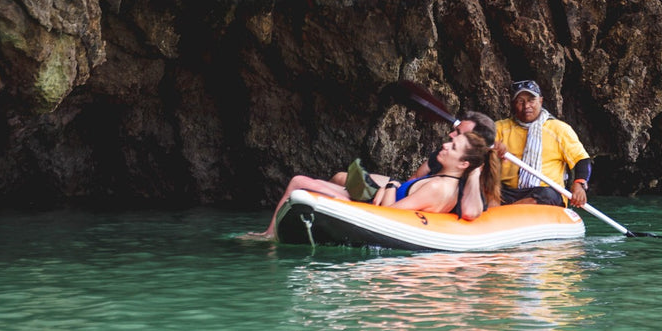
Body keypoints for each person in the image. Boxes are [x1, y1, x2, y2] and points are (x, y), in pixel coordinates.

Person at [250, 126, 499, 239]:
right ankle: (271, 233)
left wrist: (390, 186)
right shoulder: (445, 182)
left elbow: (387, 215)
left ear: (464, 164)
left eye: (453, 147)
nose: (445, 144)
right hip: (374, 201)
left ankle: (268, 236)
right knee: (325, 179)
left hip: (370, 209)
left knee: (298, 182)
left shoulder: (438, 187)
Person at [333, 111, 499, 220]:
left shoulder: (472, 171)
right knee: (339, 177)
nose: (450, 135)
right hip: (409, 192)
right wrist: (391, 189)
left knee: (341, 185)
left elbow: (471, 211)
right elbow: (415, 178)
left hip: (422, 201)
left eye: (459, 134)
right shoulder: (444, 154)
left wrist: (474, 172)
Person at [496, 79, 591, 207]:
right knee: (488, 190)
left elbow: (582, 160)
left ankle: (505, 212)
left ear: (540, 100)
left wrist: (579, 184)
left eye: (531, 100)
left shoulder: (559, 129)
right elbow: (478, 146)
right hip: (509, 191)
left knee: (546, 194)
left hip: (543, 192)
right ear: (513, 104)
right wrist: (492, 147)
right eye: (520, 101)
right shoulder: (501, 128)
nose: (526, 106)